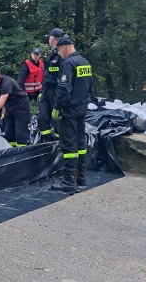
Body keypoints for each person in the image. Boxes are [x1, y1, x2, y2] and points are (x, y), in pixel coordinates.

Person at [51, 35, 94, 194]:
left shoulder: (68, 63)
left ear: (64, 47)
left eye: (59, 50)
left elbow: (63, 90)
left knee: (69, 144)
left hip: (69, 110)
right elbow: (90, 86)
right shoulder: (85, 62)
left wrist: (57, 106)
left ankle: (69, 181)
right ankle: (81, 177)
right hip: (82, 108)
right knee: (80, 142)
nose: (59, 54)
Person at [38, 28, 65, 142]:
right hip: (46, 91)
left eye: (49, 37)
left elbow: (64, 75)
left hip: (55, 91)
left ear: (53, 38)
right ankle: (48, 141)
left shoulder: (62, 54)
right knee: (42, 117)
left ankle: (60, 143)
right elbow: (47, 74)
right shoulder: (52, 53)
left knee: (57, 120)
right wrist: (41, 91)